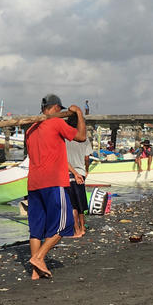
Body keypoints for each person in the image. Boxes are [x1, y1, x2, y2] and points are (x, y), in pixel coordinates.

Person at [26, 94, 86, 280]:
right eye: (60, 110)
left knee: (36, 230)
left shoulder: (30, 129)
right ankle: (39, 258)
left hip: (34, 184)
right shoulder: (56, 123)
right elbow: (82, 137)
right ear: (55, 108)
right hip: (53, 182)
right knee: (66, 224)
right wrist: (80, 114)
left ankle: (36, 274)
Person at [65, 115, 93, 237]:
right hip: (80, 172)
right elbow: (87, 158)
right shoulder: (84, 139)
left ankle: (77, 230)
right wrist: (86, 170)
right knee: (81, 203)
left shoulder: (65, 139)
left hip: (67, 173)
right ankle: (82, 228)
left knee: (72, 205)